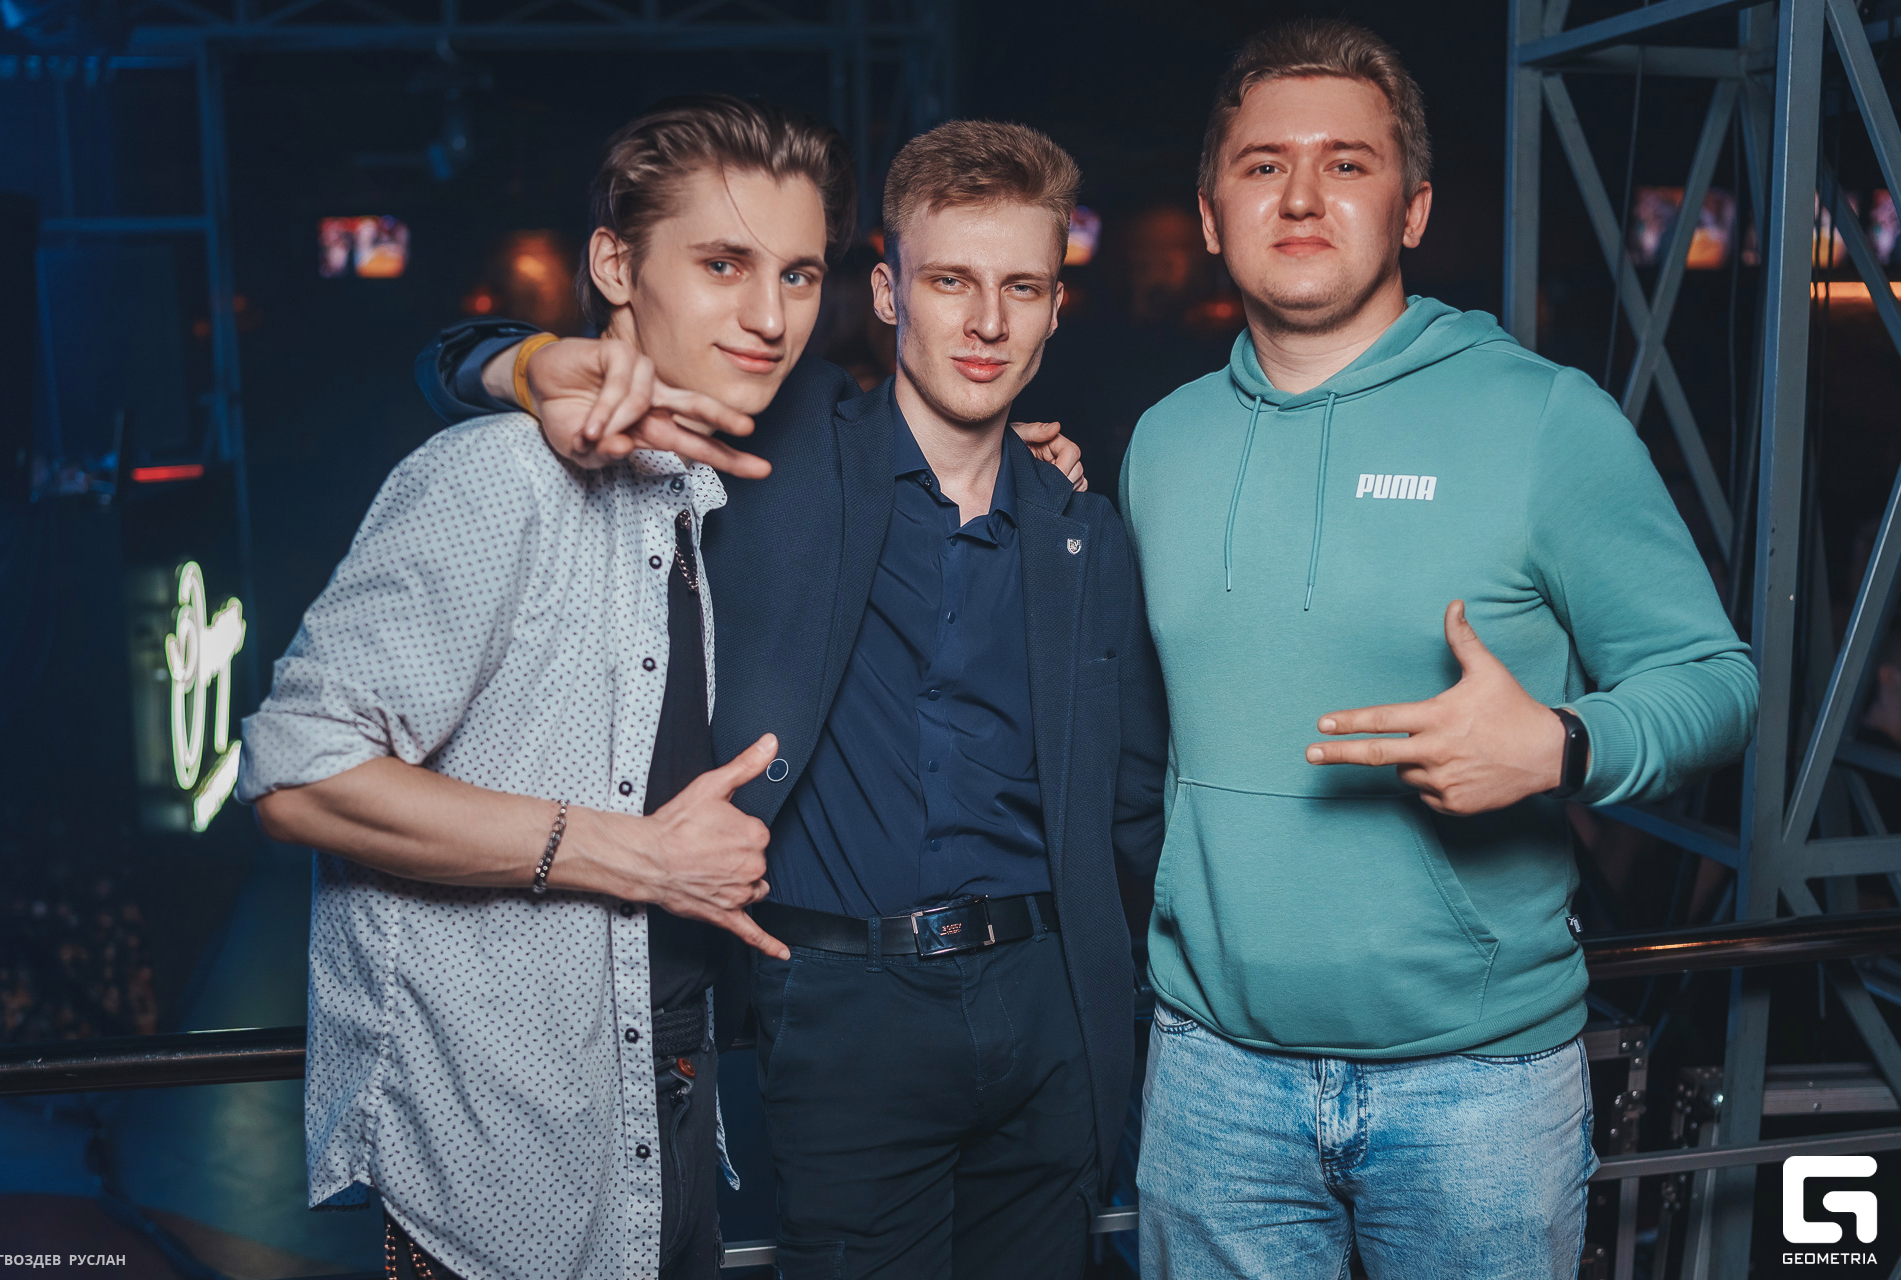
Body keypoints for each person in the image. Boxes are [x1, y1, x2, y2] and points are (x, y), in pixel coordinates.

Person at [422, 120, 1166, 1280]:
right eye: (951, 282)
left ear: (1055, 308)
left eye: (1021, 287)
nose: (986, 321)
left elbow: (1134, 805)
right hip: (847, 1002)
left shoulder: (1086, 529)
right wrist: (518, 366)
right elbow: (456, 358)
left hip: (1049, 1005)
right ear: (889, 292)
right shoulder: (786, 447)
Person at [1118, 20, 1759, 1278]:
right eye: (1263, 165)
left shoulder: (1541, 419)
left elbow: (1718, 683)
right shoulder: (1161, 443)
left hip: (1477, 1089)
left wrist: (1562, 744)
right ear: (1210, 214)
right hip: (1210, 1076)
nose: (1302, 195)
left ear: (1412, 208)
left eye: (1347, 163)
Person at [237, 96, 857, 1280]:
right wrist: (639, 857)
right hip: (500, 1146)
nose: (770, 316)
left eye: (799, 273)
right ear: (616, 266)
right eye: (723, 265)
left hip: (663, 1093)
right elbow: (295, 773)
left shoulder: (699, 491)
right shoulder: (498, 477)